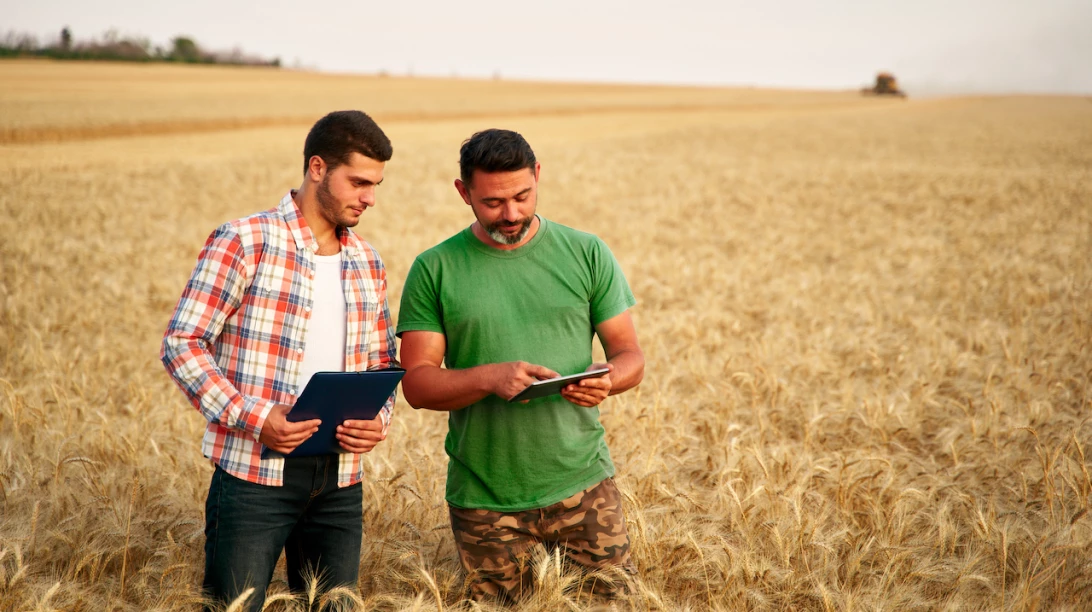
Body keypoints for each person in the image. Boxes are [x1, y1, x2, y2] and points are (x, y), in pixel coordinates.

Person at [160, 110, 398, 611]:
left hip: (340, 478)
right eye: (358, 182)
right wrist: (256, 417)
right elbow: (183, 343)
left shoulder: (367, 261)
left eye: (375, 185)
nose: (370, 198)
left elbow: (382, 362)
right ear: (317, 168)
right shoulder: (244, 241)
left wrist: (378, 419)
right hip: (253, 476)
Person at [397, 128, 645, 602]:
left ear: (537, 176)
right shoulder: (435, 269)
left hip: (584, 484)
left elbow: (630, 354)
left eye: (522, 196)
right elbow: (418, 385)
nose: (511, 214)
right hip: (484, 499)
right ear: (463, 192)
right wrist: (490, 378)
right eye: (492, 202)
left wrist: (609, 379)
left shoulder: (587, 252)